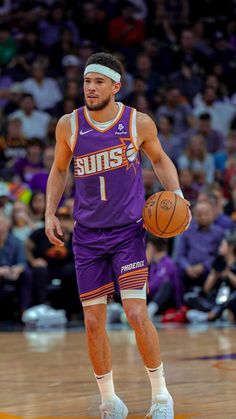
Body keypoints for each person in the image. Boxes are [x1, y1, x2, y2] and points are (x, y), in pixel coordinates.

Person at [45, 52, 191, 418]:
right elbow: (59, 170)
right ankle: (110, 401)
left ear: (115, 86)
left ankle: (161, 397)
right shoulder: (70, 125)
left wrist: (177, 196)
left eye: (97, 82)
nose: (90, 88)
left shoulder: (137, 123)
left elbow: (159, 159)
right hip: (88, 236)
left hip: (128, 232)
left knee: (135, 311)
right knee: (93, 321)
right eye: (86, 82)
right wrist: (49, 211)